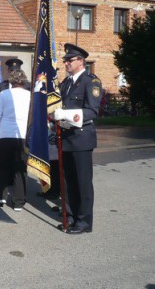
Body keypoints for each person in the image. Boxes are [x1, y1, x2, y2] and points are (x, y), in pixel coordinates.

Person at [53, 43, 102, 234]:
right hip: (65, 137)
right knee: (69, 181)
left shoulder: (91, 82)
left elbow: (92, 111)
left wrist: (65, 117)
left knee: (82, 182)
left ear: (81, 61)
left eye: (69, 60)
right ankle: (71, 216)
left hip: (81, 138)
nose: (66, 63)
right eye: (65, 60)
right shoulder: (66, 83)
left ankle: (84, 221)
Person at [0, 69, 30, 211]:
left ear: (11, 81)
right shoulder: (29, 95)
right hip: (22, 135)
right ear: (24, 81)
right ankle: (18, 202)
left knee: (3, 166)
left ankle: (0, 196)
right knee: (20, 168)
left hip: (5, 134)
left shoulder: (3, 94)